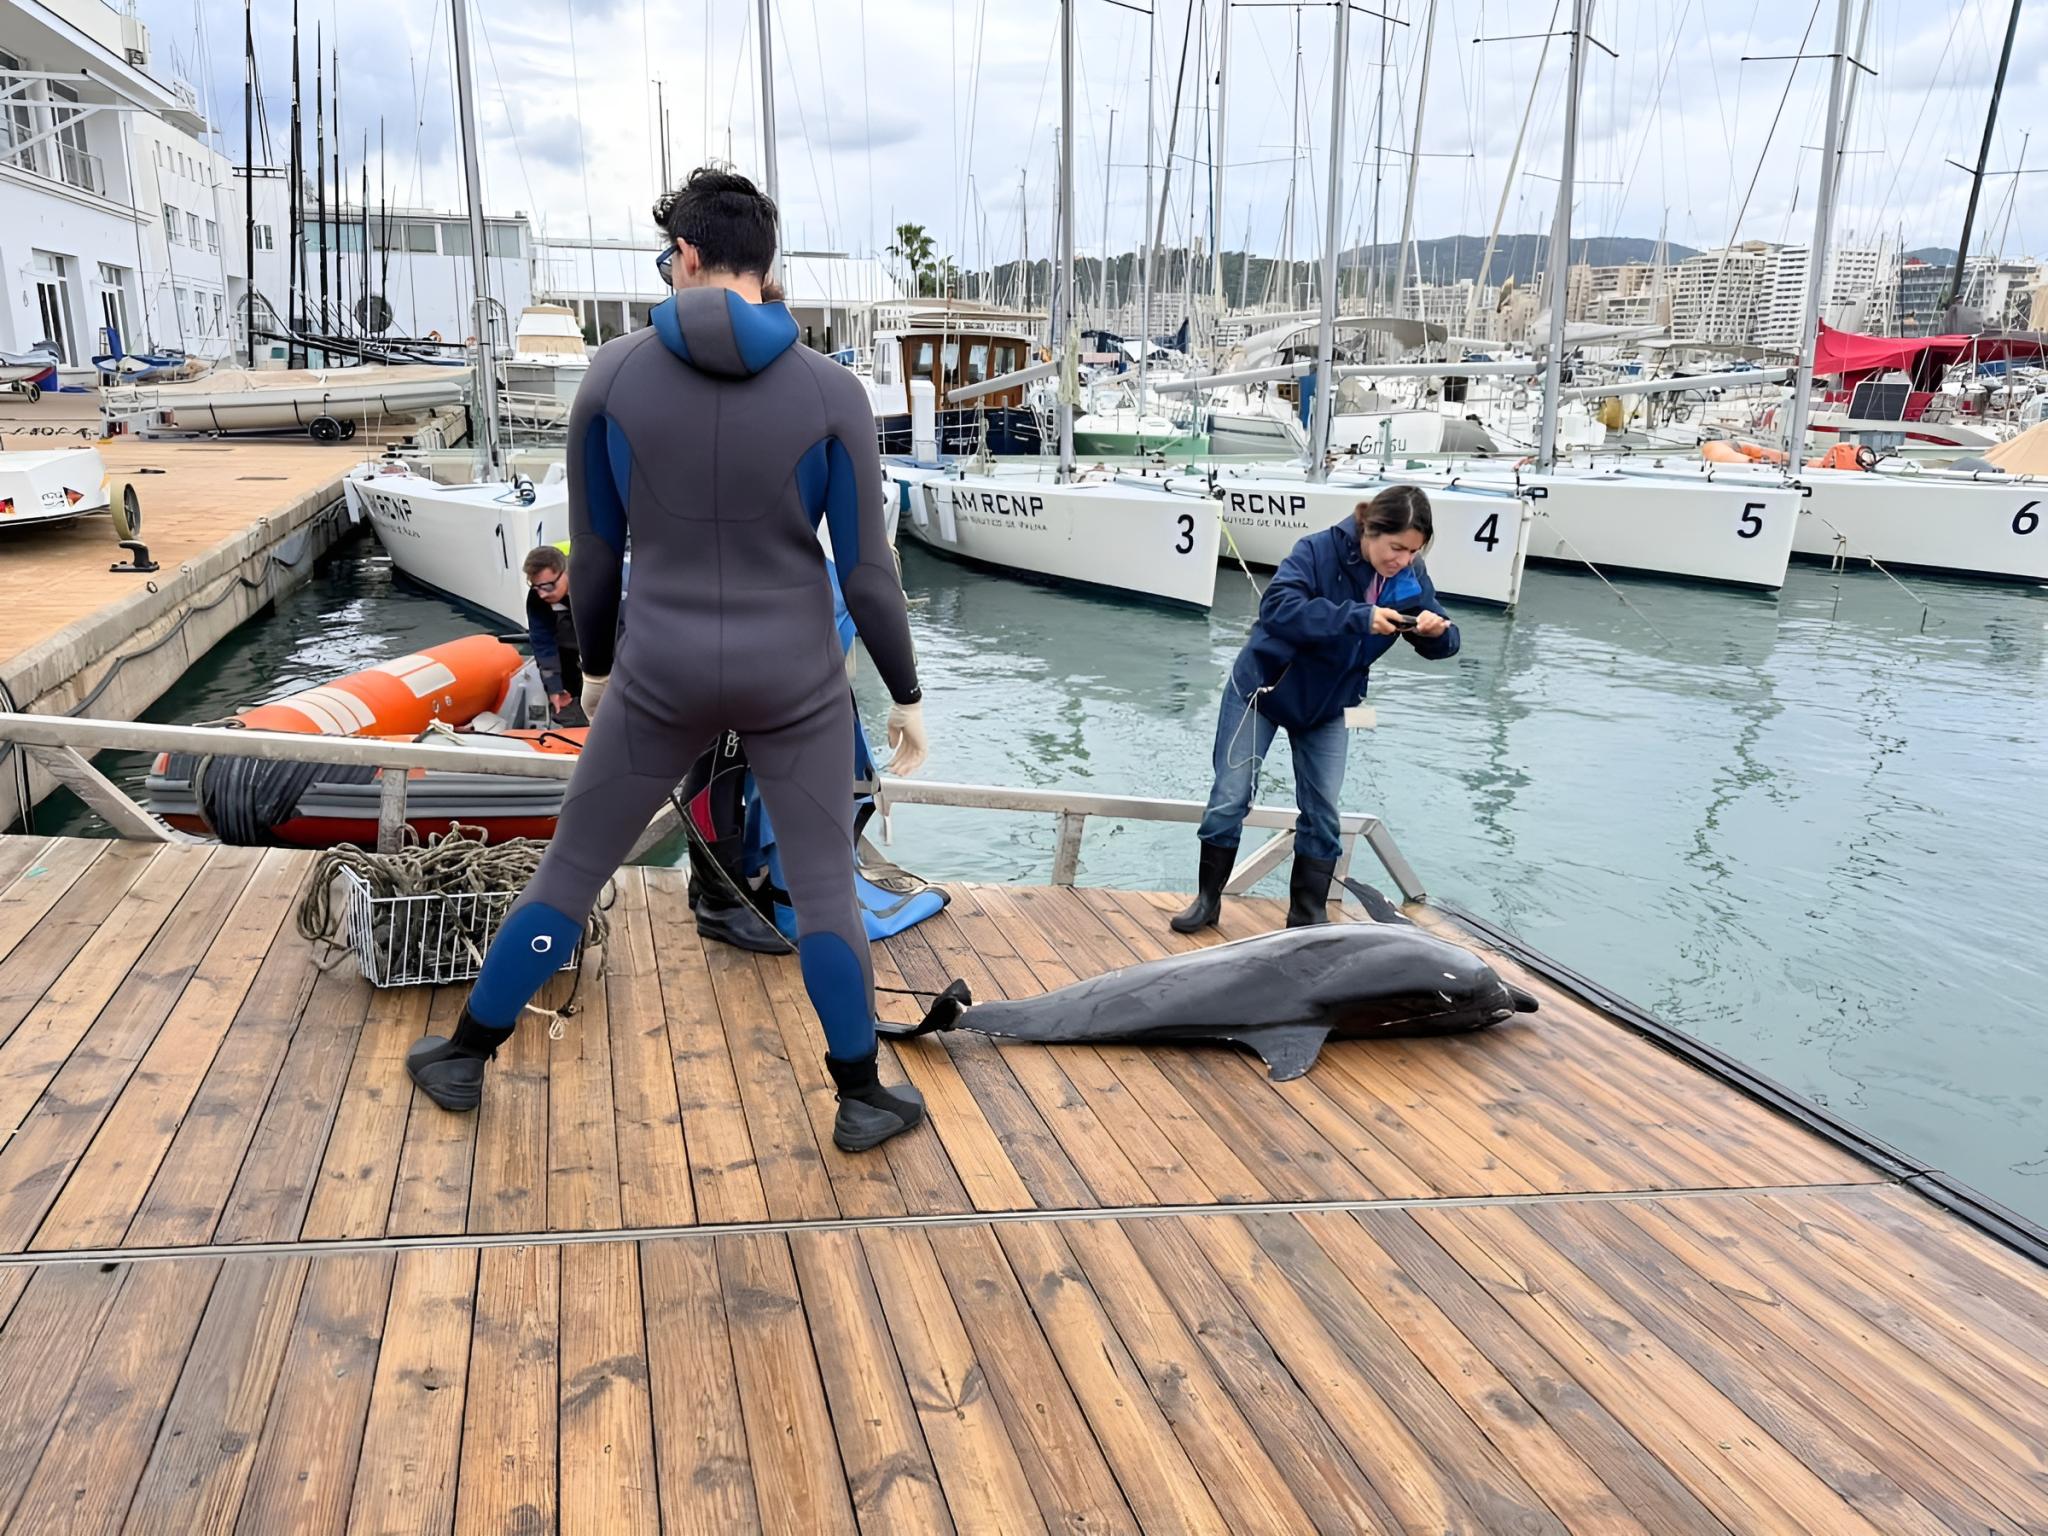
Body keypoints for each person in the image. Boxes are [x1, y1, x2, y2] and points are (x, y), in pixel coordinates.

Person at [406, 166, 933, 1153]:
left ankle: (464, 1056)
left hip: (659, 665)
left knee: (570, 869)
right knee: (823, 884)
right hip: (794, 674)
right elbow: (865, 573)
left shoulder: (612, 374)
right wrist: (904, 693)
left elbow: (593, 554)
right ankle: (861, 1094)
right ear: (763, 266)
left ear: (683, 256)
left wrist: (597, 665)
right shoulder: (833, 393)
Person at [1172, 485, 1458, 933]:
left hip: (1329, 704)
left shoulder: (1410, 577)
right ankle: (1207, 902)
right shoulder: (1316, 551)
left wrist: (1434, 631)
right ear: (1369, 529)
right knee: (1231, 796)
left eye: (1413, 550)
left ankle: (1306, 920)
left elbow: (1447, 643)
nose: (1403, 559)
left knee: (1323, 811)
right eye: (1396, 547)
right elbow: (1278, 608)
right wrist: (1358, 617)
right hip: (1263, 690)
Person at [521, 543, 585, 724]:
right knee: (567, 706)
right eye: (535, 587)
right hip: (567, 655)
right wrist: (554, 688)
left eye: (547, 587)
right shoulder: (538, 599)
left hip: (607, 649)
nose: (541, 594)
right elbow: (543, 642)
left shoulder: (594, 585)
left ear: (564, 572)